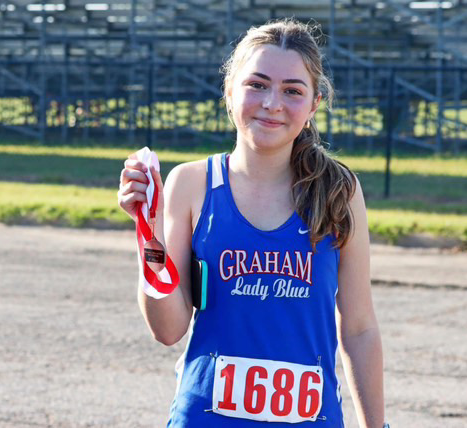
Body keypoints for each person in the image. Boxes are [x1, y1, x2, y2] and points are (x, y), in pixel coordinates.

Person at [118, 18, 386, 428]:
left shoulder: (339, 192)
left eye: (292, 91)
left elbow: (360, 329)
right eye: (257, 84)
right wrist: (147, 230)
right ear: (229, 90)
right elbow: (169, 329)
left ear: (314, 104)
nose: (272, 103)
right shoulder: (192, 184)